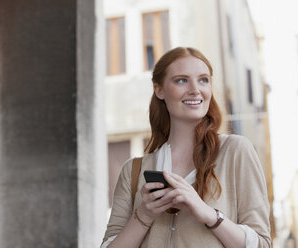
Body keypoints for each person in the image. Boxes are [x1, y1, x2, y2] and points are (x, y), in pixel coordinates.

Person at [101, 47, 271, 248]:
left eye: (203, 80)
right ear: (159, 90)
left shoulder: (236, 151)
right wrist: (144, 214)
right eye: (181, 80)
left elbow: (261, 243)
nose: (195, 89)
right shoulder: (133, 171)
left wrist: (207, 213)